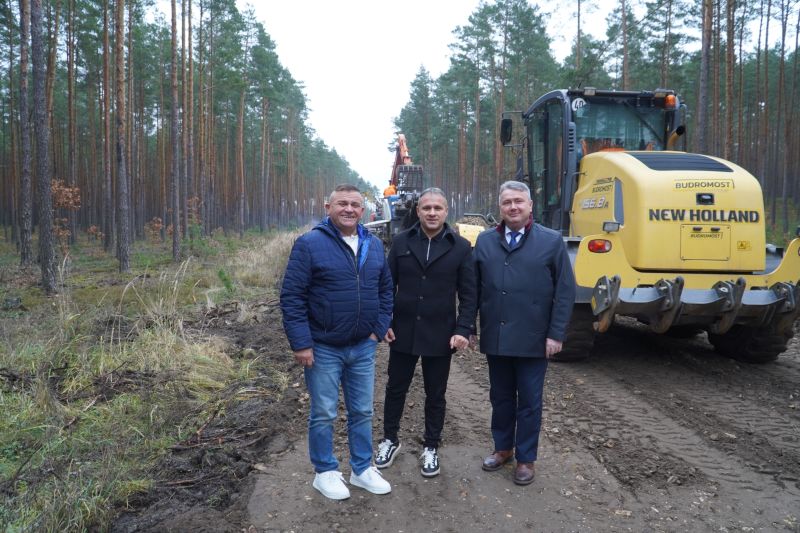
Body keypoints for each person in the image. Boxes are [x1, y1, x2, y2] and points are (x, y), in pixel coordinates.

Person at [280, 184, 394, 500]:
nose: (349, 209)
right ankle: (325, 472)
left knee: (362, 411)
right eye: (342, 203)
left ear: (364, 210)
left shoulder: (373, 245)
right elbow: (292, 296)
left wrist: (378, 328)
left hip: (362, 346)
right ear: (327, 206)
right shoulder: (310, 244)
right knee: (324, 412)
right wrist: (301, 343)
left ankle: (361, 469)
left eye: (355, 205)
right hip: (323, 347)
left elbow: (386, 291)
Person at [472, 180, 576, 486]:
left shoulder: (551, 241)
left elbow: (565, 291)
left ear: (530, 206)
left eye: (519, 201)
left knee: (529, 401)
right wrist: (470, 326)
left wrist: (556, 334)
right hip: (498, 336)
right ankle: (503, 448)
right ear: (500, 208)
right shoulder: (485, 241)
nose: (513, 207)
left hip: (534, 338)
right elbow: (473, 289)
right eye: (507, 203)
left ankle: (526, 459)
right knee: (501, 397)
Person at [374, 187, 477, 477]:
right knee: (395, 389)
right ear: (417, 211)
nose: (432, 213)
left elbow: (469, 294)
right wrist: (385, 322)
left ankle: (431, 446)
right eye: (426, 208)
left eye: (438, 208)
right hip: (403, 331)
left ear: (447, 212)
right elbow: (385, 286)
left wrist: (463, 329)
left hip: (440, 333)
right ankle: (389, 440)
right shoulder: (401, 242)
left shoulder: (460, 247)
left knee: (436, 394)